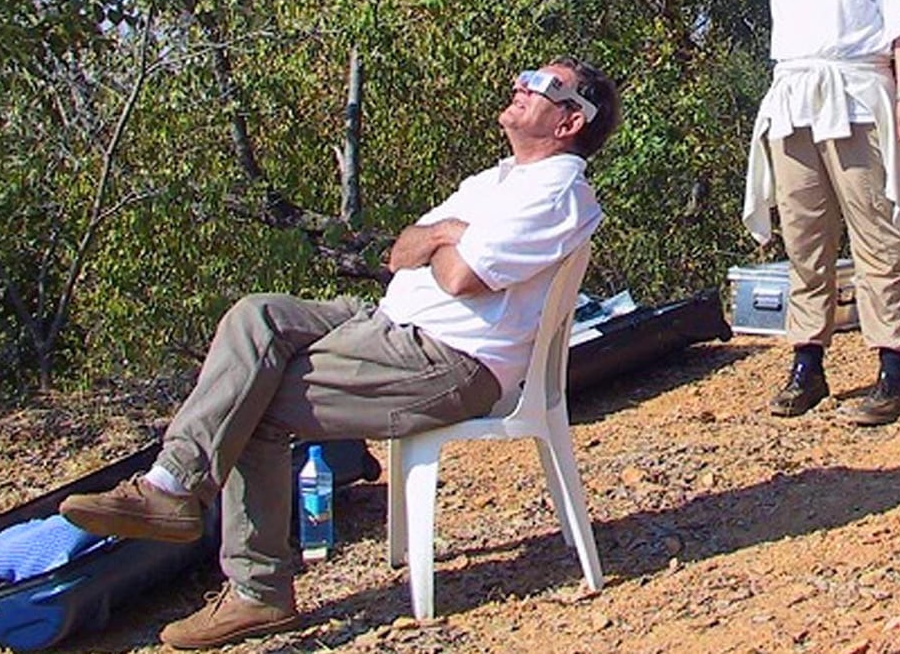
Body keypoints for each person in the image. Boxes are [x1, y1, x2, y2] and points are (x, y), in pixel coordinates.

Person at [60, 58, 619, 650]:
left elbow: (458, 277)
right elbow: (403, 249)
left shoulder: (557, 192)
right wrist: (445, 234)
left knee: (253, 399)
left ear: (568, 123)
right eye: (528, 76)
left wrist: (448, 238)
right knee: (257, 316)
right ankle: (173, 489)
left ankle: (252, 585)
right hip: (384, 324)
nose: (522, 85)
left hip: (447, 362)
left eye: (543, 86)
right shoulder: (494, 182)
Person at [741, 0, 900, 427]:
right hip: (795, 98)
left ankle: (892, 371)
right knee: (804, 237)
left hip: (857, 96)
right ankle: (808, 363)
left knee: (878, 233)